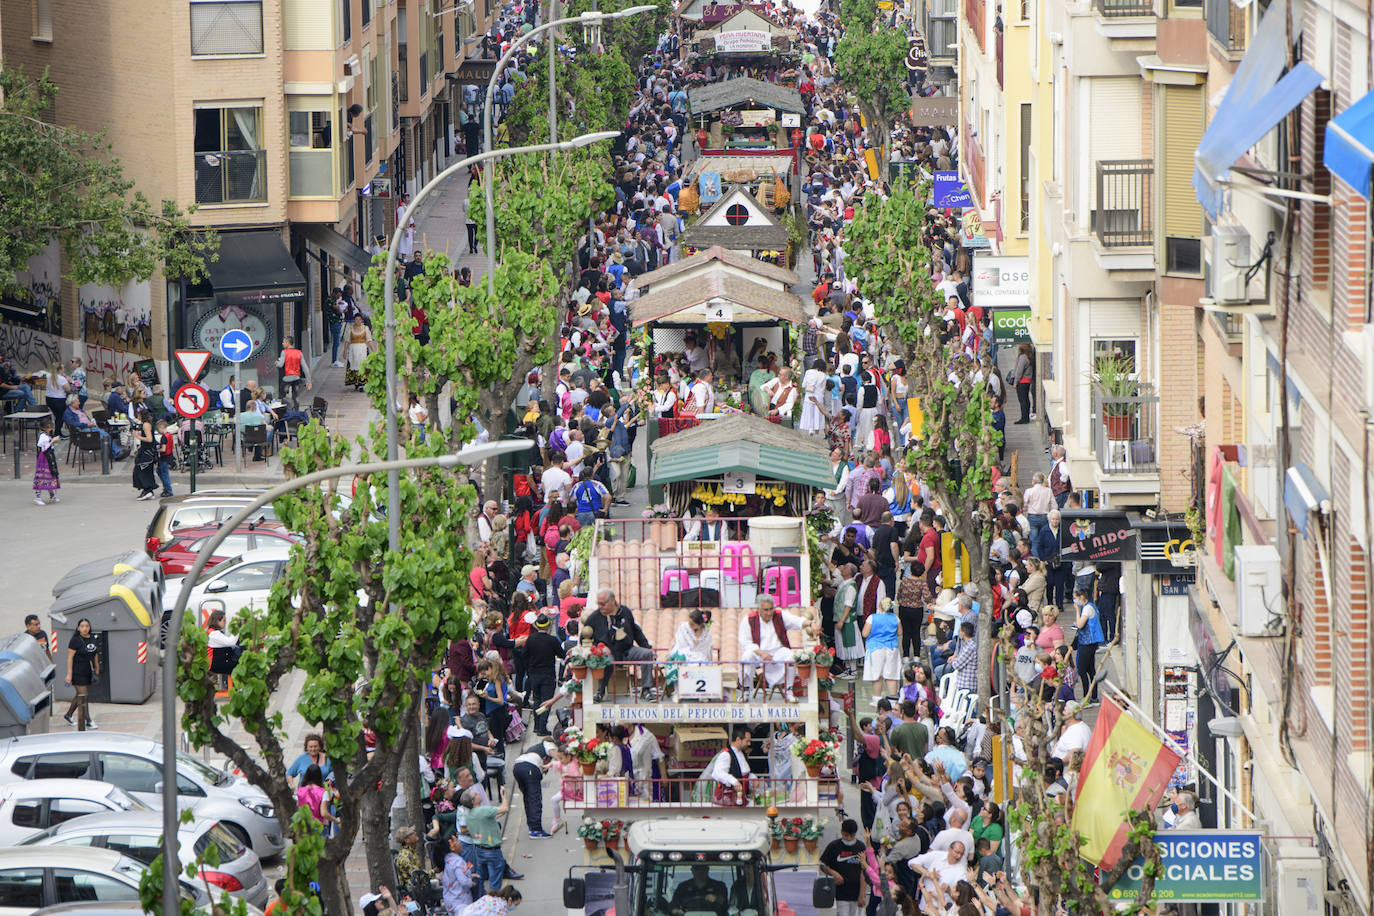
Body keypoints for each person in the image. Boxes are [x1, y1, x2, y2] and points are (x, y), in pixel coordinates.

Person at [584, 588, 655, 702]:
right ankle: (600, 691)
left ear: (612, 601)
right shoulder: (594, 617)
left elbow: (636, 631)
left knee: (647, 654)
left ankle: (646, 689)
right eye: (599, 604)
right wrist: (599, 647)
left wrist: (646, 646)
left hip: (626, 649)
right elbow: (585, 637)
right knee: (606, 660)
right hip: (607, 652)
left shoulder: (625, 612)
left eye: (603, 603)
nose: (600, 606)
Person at [738, 595, 810, 690]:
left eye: (771, 609)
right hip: (758, 654)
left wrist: (811, 623)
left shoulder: (779, 615)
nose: (769, 613)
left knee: (790, 655)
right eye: (766, 610)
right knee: (746, 656)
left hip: (777, 653)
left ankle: (788, 690)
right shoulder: (748, 620)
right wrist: (761, 653)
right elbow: (745, 642)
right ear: (759, 609)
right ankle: (746, 690)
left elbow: (796, 621)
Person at [461, 784, 524, 889]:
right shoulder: (484, 810)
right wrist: (503, 795)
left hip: (479, 850)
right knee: (495, 881)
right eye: (476, 794)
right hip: (492, 851)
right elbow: (505, 808)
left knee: (480, 879)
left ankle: (484, 900)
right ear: (473, 801)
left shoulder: (468, 814)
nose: (478, 794)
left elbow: (486, 819)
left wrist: (498, 814)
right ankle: (494, 902)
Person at [819, 818, 867, 916]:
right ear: (841, 832)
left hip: (857, 893)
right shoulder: (834, 846)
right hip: (841, 893)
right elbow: (822, 864)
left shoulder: (861, 847)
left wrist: (862, 895)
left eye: (852, 836)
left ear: (855, 834)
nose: (848, 838)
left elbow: (864, 872)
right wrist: (833, 873)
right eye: (846, 835)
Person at [861, 597, 902, 703]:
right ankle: (893, 700)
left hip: (875, 648)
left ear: (880, 606)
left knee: (877, 674)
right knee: (891, 674)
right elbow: (899, 632)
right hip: (892, 648)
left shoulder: (872, 618)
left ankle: (877, 699)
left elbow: (865, 633)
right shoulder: (895, 618)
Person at [511, 741, 553, 838]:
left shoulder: (533, 750)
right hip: (529, 769)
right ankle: (536, 830)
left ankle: (531, 826)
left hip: (517, 768)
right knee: (535, 798)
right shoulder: (548, 746)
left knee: (527, 797)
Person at [63, 618, 99, 730]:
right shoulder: (75, 640)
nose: (85, 628)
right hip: (77, 671)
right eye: (82, 626)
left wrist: (97, 668)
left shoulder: (92, 638)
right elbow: (70, 657)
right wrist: (69, 674)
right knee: (84, 696)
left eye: (87, 626)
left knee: (80, 696)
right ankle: (88, 720)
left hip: (88, 670)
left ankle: (68, 715)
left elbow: (95, 653)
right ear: (78, 628)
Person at [1072, 588, 1105, 702]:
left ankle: (1086, 696)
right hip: (1091, 642)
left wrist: (1077, 610)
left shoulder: (1087, 608)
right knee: (1090, 670)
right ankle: (1094, 696)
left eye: (1076, 598)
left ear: (1081, 597)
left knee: (1082, 669)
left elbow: (1080, 624)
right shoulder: (1091, 607)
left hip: (1088, 642)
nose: (1075, 601)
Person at [708, 726, 753, 806]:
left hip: (739, 797)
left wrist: (753, 778)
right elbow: (718, 772)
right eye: (747, 741)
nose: (749, 744)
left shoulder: (742, 754)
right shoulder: (726, 754)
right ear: (738, 739)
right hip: (727, 798)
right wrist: (734, 781)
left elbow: (744, 772)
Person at [442, 833, 477, 916]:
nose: (460, 842)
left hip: (450, 902)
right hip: (461, 901)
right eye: (457, 840)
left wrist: (470, 875)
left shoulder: (447, 859)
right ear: (452, 847)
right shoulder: (458, 861)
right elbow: (464, 881)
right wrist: (471, 882)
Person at [276, 336, 312, 409]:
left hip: (286, 378)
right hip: (296, 378)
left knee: (283, 397)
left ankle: (286, 411)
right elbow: (305, 368)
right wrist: (309, 381)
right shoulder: (299, 353)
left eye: (284, 342)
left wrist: (277, 362)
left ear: (287, 343)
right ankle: (296, 411)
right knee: (296, 397)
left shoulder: (284, 352)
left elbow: (280, 365)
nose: (283, 343)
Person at [131, 408, 158, 500]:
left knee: (142, 470)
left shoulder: (146, 425)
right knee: (144, 470)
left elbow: (149, 439)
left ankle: (147, 489)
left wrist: (138, 436)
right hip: (145, 449)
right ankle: (148, 490)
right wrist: (138, 448)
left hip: (147, 452)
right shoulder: (146, 424)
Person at [32, 417, 60, 506]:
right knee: (42, 476)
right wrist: (52, 442)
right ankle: (37, 497)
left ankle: (52, 496)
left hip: (49, 457)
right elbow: (43, 448)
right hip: (44, 458)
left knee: (50, 475)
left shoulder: (47, 435)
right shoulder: (43, 436)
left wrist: (53, 442)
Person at [346, 313, 376, 391]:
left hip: (362, 349)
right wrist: (345, 351)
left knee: (362, 365)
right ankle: (356, 383)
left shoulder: (365, 328)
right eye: (356, 319)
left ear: (361, 320)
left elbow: (369, 340)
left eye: (359, 319)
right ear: (354, 320)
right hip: (353, 349)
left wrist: (373, 350)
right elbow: (347, 341)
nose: (358, 321)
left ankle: (363, 384)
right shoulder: (350, 329)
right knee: (354, 365)